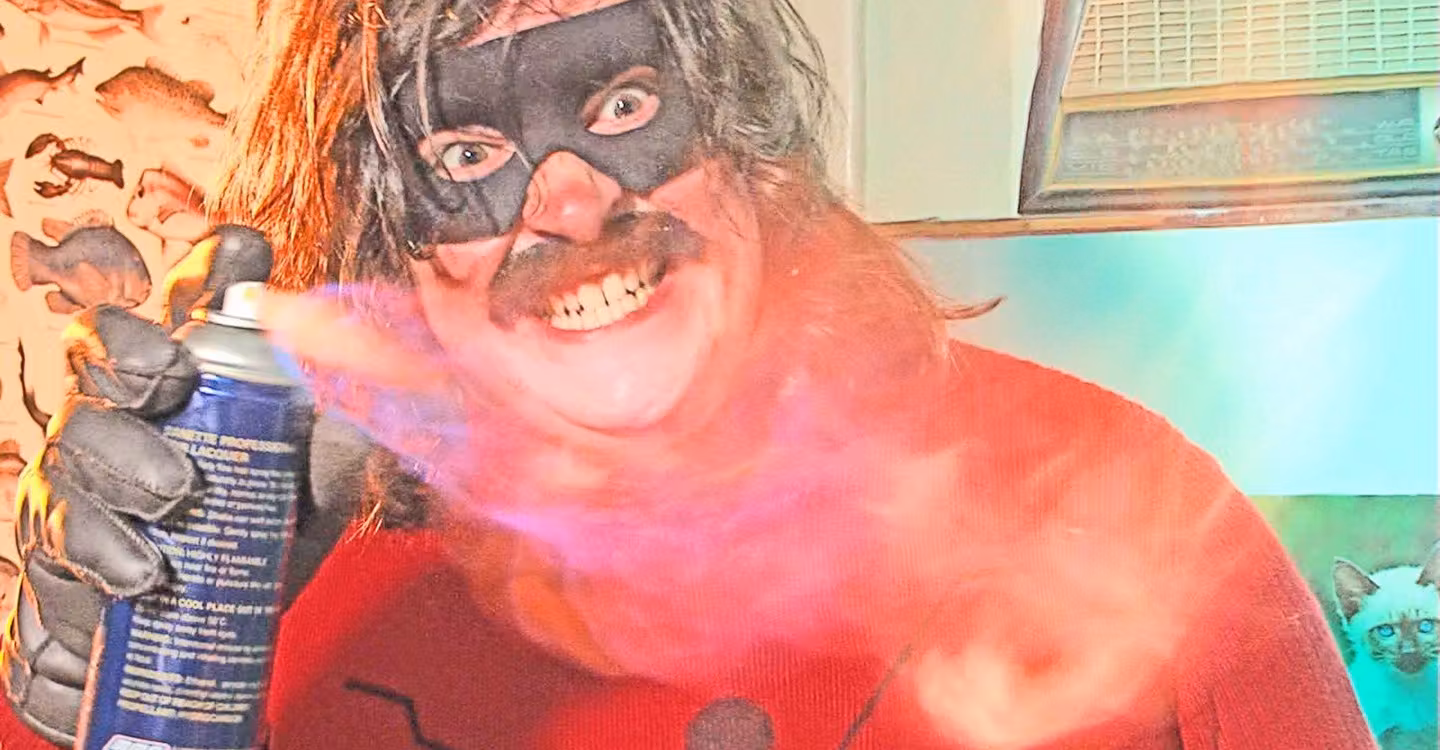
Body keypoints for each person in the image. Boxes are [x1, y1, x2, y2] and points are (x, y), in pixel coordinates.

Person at [2, 0, 1378, 748]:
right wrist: (68, 704)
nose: (572, 207)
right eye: (468, 157)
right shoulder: (263, 594)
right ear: (393, 244)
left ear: (749, 146)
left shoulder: (1128, 511)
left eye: (622, 104)